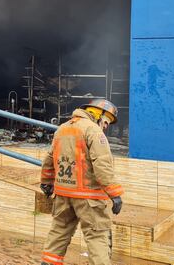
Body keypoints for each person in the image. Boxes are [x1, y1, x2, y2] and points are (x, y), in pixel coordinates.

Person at [39, 99, 124, 265]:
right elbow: (102, 164)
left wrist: (46, 182)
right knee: (97, 236)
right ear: (97, 115)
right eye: (106, 121)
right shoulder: (93, 130)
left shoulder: (62, 129)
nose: (106, 126)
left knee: (59, 232)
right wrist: (115, 193)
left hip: (63, 194)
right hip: (88, 197)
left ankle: (48, 263)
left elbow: (49, 158)